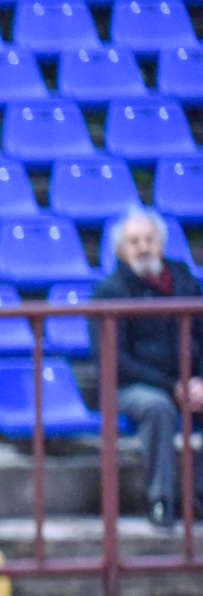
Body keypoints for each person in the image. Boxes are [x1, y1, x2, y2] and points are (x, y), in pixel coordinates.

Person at [93, 207, 203, 529]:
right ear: (121, 251)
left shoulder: (185, 282)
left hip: (186, 382)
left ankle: (198, 496)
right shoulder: (109, 293)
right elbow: (116, 361)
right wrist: (173, 386)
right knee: (158, 407)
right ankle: (161, 500)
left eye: (149, 239)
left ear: (161, 244)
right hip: (129, 388)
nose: (143, 247)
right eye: (134, 241)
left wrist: (199, 381)